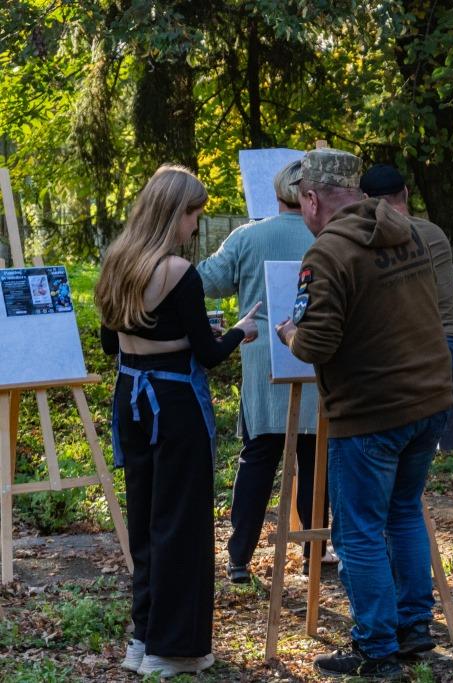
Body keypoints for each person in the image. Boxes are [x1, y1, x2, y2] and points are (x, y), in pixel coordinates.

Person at [275, 148, 453, 679]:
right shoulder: (408, 231)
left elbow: (319, 342)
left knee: (358, 532)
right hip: (429, 399)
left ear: (311, 200)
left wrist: (289, 333)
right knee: (403, 512)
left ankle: (376, 648)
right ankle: (414, 627)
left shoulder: (328, 253)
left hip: (372, 411)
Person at [94, 165, 260, 677]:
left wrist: (168, 337)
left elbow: (110, 344)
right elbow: (209, 355)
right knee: (181, 524)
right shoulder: (177, 272)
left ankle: (142, 639)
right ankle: (173, 650)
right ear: (174, 214)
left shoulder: (118, 262)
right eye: (193, 215)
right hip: (175, 405)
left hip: (132, 399)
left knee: (145, 519)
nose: (194, 227)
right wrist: (239, 331)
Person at [197, 159, 338, 583]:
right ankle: (317, 554)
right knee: (315, 462)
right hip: (317, 359)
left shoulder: (249, 236)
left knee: (258, 459)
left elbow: (206, 280)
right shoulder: (329, 237)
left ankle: (239, 558)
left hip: (263, 364)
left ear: (277, 195)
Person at [358, 163, 453, 460]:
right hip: (450, 348)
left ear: (365, 199)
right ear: (405, 192)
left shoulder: (365, 240)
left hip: (400, 356)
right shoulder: (434, 233)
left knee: (399, 459)